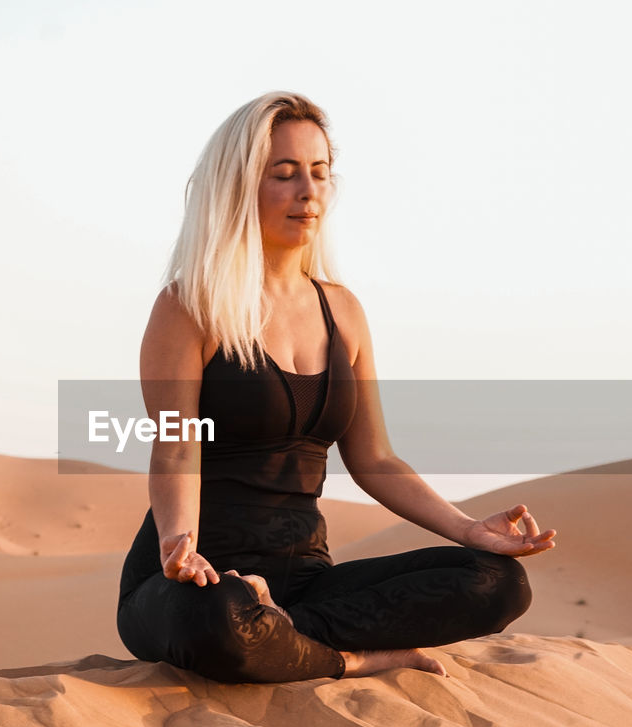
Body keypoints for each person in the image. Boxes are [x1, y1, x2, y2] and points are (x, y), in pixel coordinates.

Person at [117, 92, 556, 683]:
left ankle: (279, 635)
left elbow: (374, 457)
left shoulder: (342, 311)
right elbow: (176, 442)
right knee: (223, 617)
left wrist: (469, 529)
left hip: (306, 579)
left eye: (320, 174)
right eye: (285, 174)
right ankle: (343, 658)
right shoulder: (188, 307)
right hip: (195, 580)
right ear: (239, 186)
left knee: (497, 583)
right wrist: (179, 542)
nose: (309, 192)